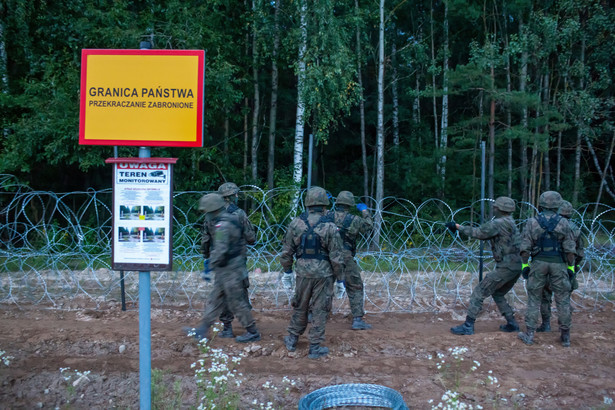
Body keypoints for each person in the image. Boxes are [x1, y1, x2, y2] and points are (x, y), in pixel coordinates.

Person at [185, 193, 260, 343]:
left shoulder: (222, 226)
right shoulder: (229, 219)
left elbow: (220, 249)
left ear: (212, 209)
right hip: (227, 268)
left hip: (230, 269)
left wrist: (209, 266)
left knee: (236, 302)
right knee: (215, 299)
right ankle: (203, 329)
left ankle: (252, 332)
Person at [280, 186, 345, 359]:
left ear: (307, 204)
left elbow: (287, 251)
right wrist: (340, 280)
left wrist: (287, 271)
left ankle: (292, 339)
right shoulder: (330, 227)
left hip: (302, 272)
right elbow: (337, 257)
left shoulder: (295, 224)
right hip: (323, 275)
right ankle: (314, 347)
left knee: (300, 305)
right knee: (319, 309)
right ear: (324, 205)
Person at [447, 196, 523, 335]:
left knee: (479, 292)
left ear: (499, 209)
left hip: (506, 267)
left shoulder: (498, 223)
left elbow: (479, 233)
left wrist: (457, 227)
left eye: (495, 207)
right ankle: (512, 323)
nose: (493, 209)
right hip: (516, 265)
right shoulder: (511, 222)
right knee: (498, 293)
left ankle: (468, 325)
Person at [517, 191, 576, 347]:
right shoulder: (564, 223)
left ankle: (529, 334)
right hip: (559, 264)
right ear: (557, 205)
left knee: (534, 299)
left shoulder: (532, 222)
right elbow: (570, 249)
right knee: (562, 300)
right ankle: (565, 337)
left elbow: (524, 248)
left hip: (538, 263)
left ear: (541, 204)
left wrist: (525, 265)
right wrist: (570, 267)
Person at [209, 181, 256, 338]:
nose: (237, 196)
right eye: (236, 194)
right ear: (231, 196)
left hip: (220, 261)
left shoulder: (212, 213)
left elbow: (206, 238)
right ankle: (250, 328)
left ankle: (227, 327)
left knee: (221, 294)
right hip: (237, 261)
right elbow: (251, 237)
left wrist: (207, 256)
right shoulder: (239, 214)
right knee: (240, 293)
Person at [535, 200, 585, 333]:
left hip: (546, 265)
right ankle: (565, 331)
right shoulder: (575, 228)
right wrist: (572, 266)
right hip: (565, 267)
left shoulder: (545, 224)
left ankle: (546, 324)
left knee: (545, 297)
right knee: (564, 300)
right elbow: (579, 252)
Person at [329, 190, 373, 330]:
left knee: (323, 285)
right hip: (345, 256)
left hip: (328, 255)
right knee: (355, 286)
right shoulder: (354, 219)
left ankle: (314, 313)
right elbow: (368, 226)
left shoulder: (327, 216)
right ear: (350, 204)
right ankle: (357, 319)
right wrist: (365, 211)